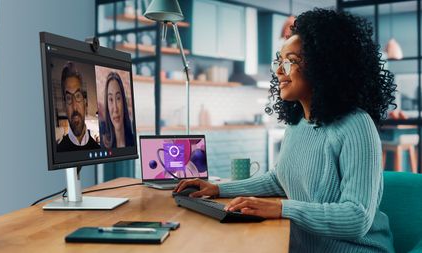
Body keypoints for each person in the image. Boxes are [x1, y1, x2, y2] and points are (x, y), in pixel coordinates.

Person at [174, 9, 396, 253]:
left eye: (290, 61)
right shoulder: (297, 124)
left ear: (324, 65)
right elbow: (278, 179)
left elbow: (357, 217)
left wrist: (281, 209)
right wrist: (217, 188)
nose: (279, 71)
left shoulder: (356, 125)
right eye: (279, 62)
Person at [57, 62, 100, 152]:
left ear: (85, 103)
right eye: (69, 98)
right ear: (65, 107)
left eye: (78, 96)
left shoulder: (98, 149)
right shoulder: (59, 152)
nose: (74, 107)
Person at [103, 72, 134, 148]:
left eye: (118, 98)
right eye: (110, 99)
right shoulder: (103, 146)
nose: (115, 109)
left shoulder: (134, 142)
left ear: (123, 101)